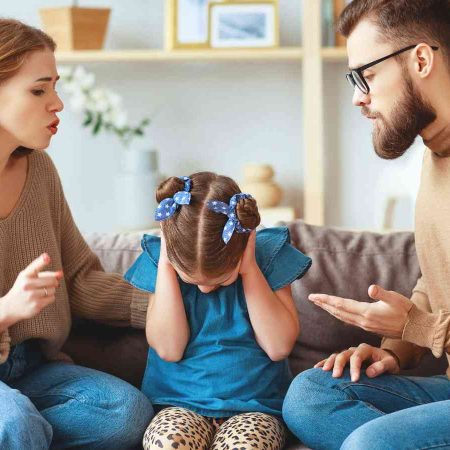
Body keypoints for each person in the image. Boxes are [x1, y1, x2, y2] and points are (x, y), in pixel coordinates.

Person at [282, 1, 450, 449]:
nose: (358, 96)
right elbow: (436, 282)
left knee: (369, 444)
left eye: (367, 75)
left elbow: (427, 318)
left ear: (420, 60)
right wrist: (392, 351)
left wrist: (421, 328)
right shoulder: (435, 157)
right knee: (309, 396)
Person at [0, 18, 153, 449]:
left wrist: (164, 305)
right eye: (39, 89)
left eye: (56, 87)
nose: (58, 103)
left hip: (30, 368)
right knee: (14, 422)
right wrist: (7, 310)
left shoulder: (40, 171)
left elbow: (79, 277)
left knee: (125, 414)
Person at [124, 172, 312, 450]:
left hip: (256, 409)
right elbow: (169, 349)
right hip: (180, 405)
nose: (205, 290)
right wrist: (166, 262)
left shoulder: (268, 256)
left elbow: (278, 347)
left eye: (221, 279)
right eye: (192, 280)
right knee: (166, 444)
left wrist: (248, 268)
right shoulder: (162, 263)